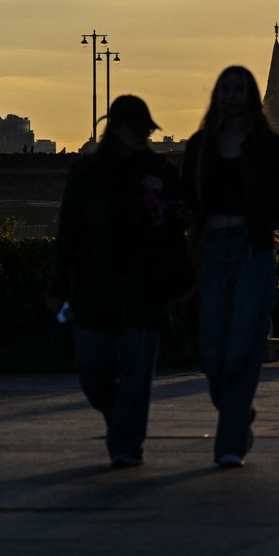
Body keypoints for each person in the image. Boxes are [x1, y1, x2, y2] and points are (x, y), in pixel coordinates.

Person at [184, 66, 279, 468]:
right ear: (217, 95)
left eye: (238, 89)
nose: (230, 95)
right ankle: (236, 411)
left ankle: (229, 442)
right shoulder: (200, 146)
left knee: (243, 350)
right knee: (213, 354)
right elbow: (187, 198)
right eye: (225, 88)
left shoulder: (269, 148)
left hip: (251, 252)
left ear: (251, 98)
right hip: (211, 250)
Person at [45, 95, 183, 469]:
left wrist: (166, 198)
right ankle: (120, 420)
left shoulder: (162, 172)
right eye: (133, 129)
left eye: (144, 131)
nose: (140, 137)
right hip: (95, 286)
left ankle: (126, 444)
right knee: (92, 369)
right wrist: (58, 284)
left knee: (138, 375)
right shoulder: (87, 173)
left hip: (144, 288)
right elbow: (69, 229)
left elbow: (183, 221)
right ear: (115, 130)